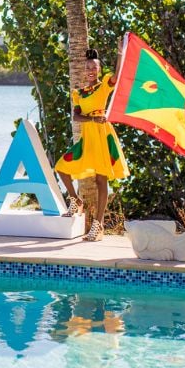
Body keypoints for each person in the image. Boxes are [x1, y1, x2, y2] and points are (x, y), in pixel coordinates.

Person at [55, 47, 129, 241]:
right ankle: (75, 200)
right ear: (83, 70)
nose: (90, 70)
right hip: (87, 139)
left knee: (101, 181)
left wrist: (120, 54)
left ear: (99, 70)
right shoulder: (78, 93)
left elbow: (117, 76)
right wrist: (92, 119)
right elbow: (76, 116)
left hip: (102, 136)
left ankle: (98, 225)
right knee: (61, 167)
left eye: (94, 67)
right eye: (87, 67)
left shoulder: (104, 85)